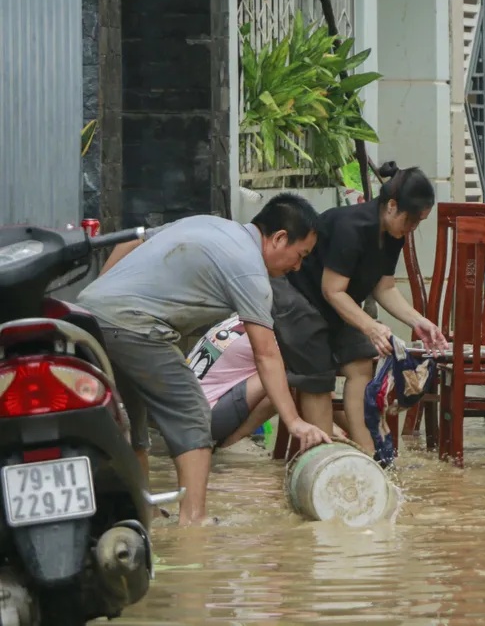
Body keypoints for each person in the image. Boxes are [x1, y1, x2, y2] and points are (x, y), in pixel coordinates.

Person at [76, 193, 334, 526]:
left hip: (88, 316)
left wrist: (101, 292)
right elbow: (266, 353)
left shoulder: (208, 224)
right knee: (194, 414)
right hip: (137, 326)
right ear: (279, 238)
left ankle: (146, 511)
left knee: (132, 421)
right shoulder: (251, 273)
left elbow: (133, 239)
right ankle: (194, 521)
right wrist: (295, 422)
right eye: (300, 256)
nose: (297, 267)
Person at [272, 162, 449, 456]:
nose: (413, 228)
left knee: (361, 363)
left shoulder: (394, 235)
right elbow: (332, 289)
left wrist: (419, 321)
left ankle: (368, 454)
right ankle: (324, 456)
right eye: (411, 220)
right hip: (299, 297)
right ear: (392, 206)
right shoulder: (352, 227)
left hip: (337, 305)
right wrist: (371, 326)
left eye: (419, 222)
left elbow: (385, 287)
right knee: (317, 371)